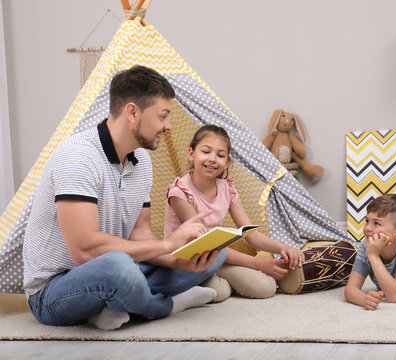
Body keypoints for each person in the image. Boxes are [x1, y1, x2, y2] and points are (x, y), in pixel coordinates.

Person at [22, 65, 227, 330]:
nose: (169, 126)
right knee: (117, 267)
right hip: (53, 290)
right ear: (132, 112)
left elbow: (140, 234)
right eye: (163, 116)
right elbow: (85, 250)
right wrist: (167, 245)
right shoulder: (77, 157)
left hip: (119, 268)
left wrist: (180, 258)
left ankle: (114, 304)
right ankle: (166, 305)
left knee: (215, 251)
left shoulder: (141, 159)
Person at [164, 125, 305, 301]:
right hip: (187, 261)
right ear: (191, 154)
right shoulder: (180, 192)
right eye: (206, 152)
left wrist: (284, 247)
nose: (212, 159)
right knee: (221, 291)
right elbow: (203, 245)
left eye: (220, 155)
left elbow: (251, 235)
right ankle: (205, 284)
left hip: (216, 256)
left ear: (228, 162)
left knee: (266, 288)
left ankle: (221, 279)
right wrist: (254, 263)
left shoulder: (227, 189)